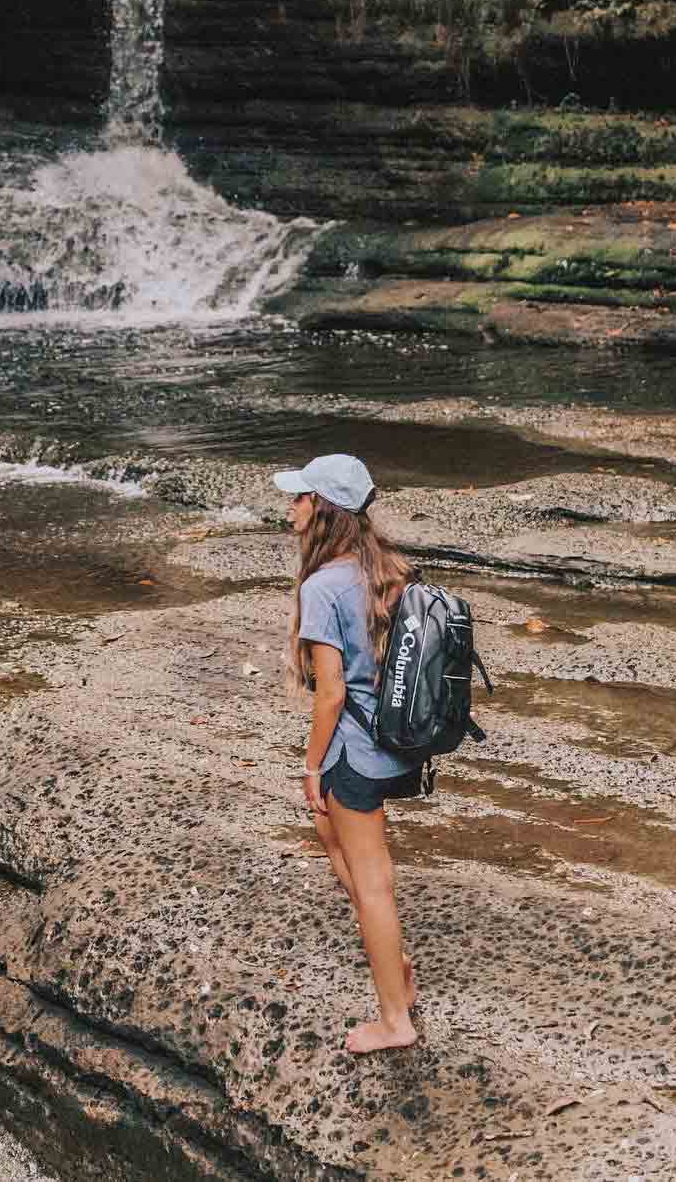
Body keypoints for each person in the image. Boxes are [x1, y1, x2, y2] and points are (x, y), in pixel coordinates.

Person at [276, 452, 421, 1055]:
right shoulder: (387, 568)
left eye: (301, 497)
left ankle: (395, 1019)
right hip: (393, 745)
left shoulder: (322, 585)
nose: (292, 507)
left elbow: (331, 692)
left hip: (352, 753)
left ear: (324, 509)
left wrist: (311, 765)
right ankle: (399, 966)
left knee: (372, 886)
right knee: (335, 841)